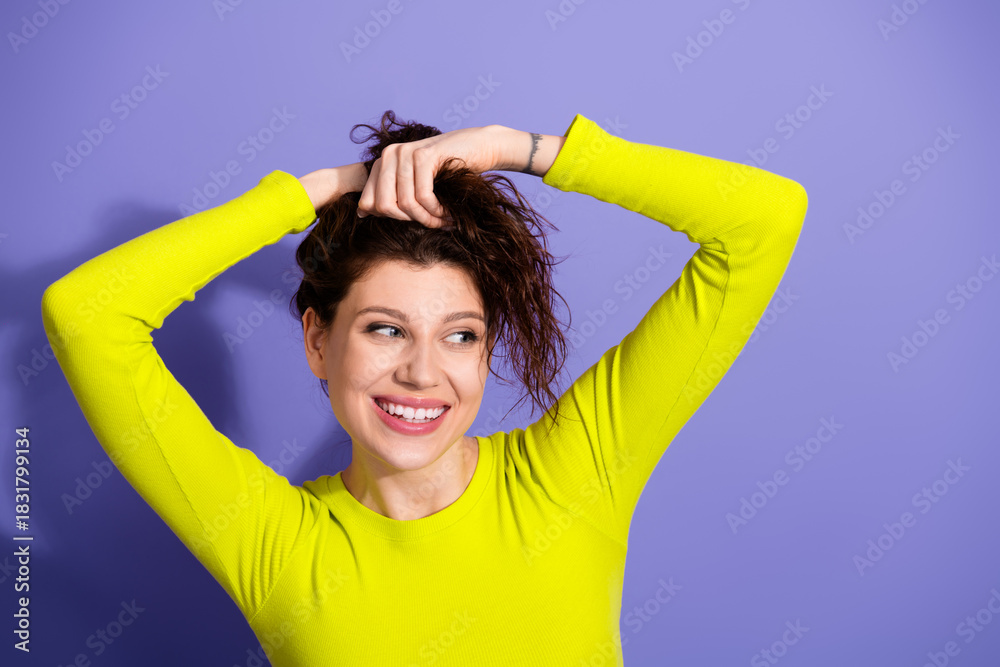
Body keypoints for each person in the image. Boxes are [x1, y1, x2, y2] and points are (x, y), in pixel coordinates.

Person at [41, 110, 808, 666]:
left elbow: (763, 222)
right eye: (385, 328)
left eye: (460, 335)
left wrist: (513, 147)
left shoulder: (575, 472)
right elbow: (86, 317)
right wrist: (320, 192)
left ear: (486, 349)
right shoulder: (274, 541)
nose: (422, 370)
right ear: (317, 340)